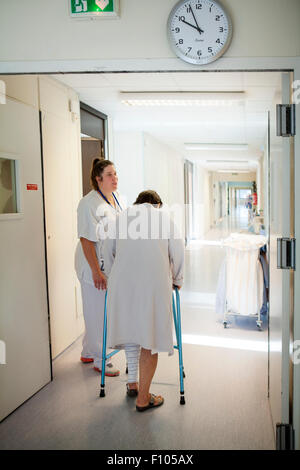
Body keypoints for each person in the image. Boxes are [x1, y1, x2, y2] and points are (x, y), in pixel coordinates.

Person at [104, 190, 184, 411]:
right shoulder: (164, 218)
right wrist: (178, 279)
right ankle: (143, 398)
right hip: (152, 284)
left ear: (138, 203)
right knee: (149, 337)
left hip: (122, 284)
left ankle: (132, 384)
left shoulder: (120, 219)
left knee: (132, 329)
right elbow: (178, 252)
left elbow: (106, 250)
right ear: (157, 204)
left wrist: (114, 277)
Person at [75, 158, 125, 376]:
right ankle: (100, 360)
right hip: (91, 264)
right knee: (97, 312)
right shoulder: (88, 203)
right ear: (98, 179)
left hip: (106, 263)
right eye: (110, 175)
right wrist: (96, 271)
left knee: (96, 309)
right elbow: (87, 240)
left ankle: (87, 351)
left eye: (115, 174)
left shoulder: (114, 198)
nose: (115, 178)